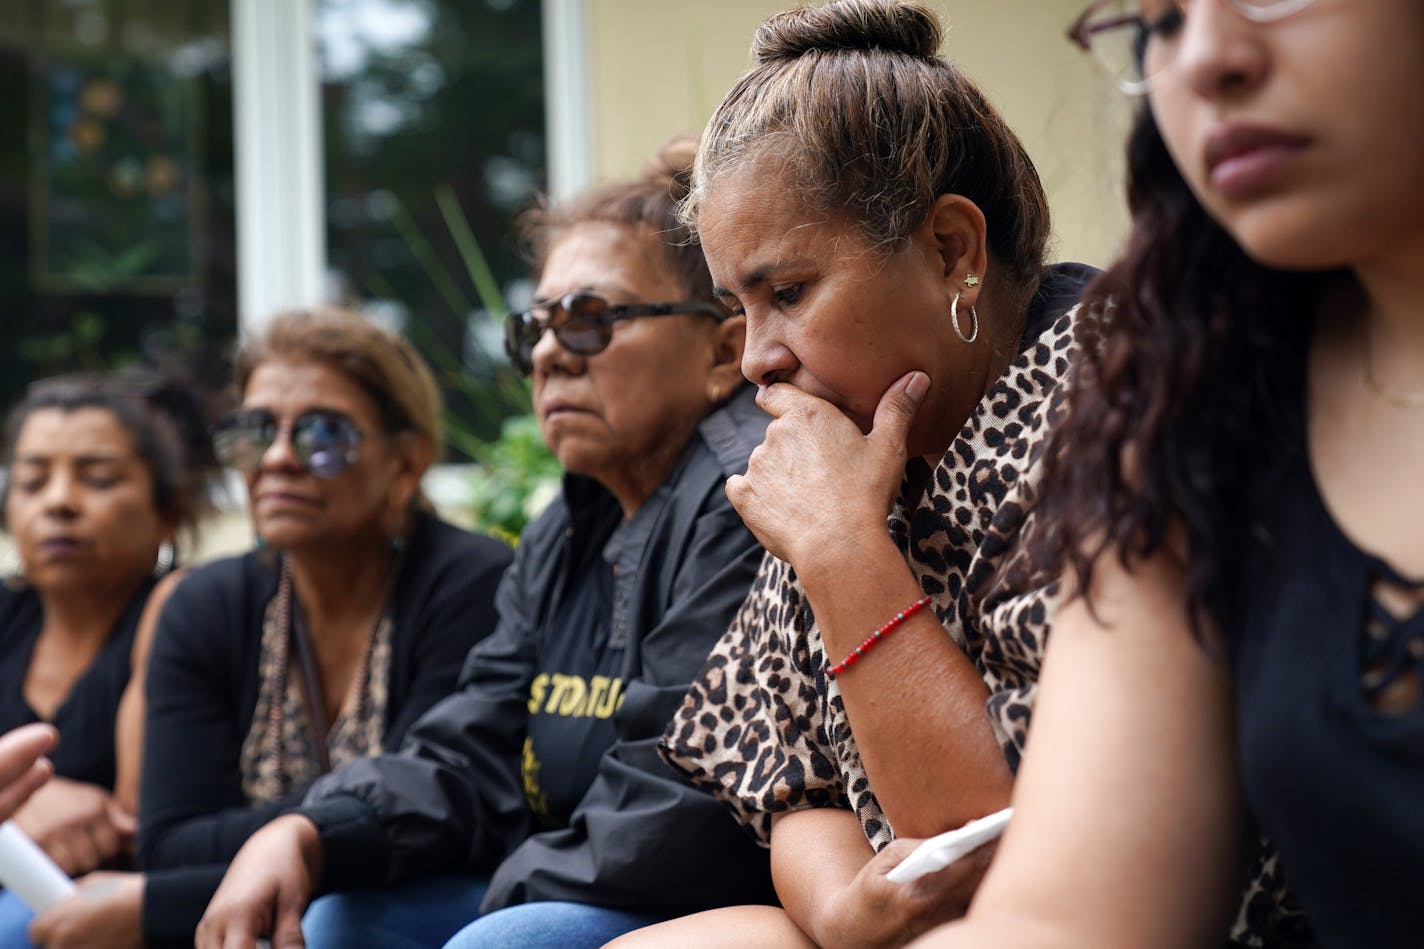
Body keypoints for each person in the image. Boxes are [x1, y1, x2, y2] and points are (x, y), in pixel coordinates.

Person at [913, 1, 1424, 948]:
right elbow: (1067, 914)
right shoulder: (1195, 404)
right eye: (1162, 21)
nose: (1206, 61)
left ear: (955, 251)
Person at [195, 137, 775, 949]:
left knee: (494, 941)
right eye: (533, 327)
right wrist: (312, 830)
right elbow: (475, 747)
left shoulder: (747, 493)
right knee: (341, 916)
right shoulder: (569, 524)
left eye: (588, 321)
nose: (545, 355)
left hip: (719, 903)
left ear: (722, 351)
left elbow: (679, 796)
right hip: (582, 878)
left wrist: (496, 891)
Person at [612, 3, 1096, 946]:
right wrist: (842, 912)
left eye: (788, 292)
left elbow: (1001, 849)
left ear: (951, 248)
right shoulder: (845, 433)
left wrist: (843, 551)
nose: (756, 358)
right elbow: (783, 772)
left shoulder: (1117, 400)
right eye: (738, 306)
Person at [23, 310, 513, 949]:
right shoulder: (206, 603)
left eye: (324, 434)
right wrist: (336, 826)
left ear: (405, 463)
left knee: (334, 925)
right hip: (258, 904)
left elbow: (441, 819)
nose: (279, 459)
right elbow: (170, 841)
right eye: (254, 432)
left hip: (428, 901)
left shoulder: (473, 585)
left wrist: (161, 904)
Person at [0, 371, 217, 942]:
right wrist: (29, 806)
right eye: (32, 481)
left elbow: (134, 820)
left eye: (97, 479)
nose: (60, 502)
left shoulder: (178, 608)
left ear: (166, 514)